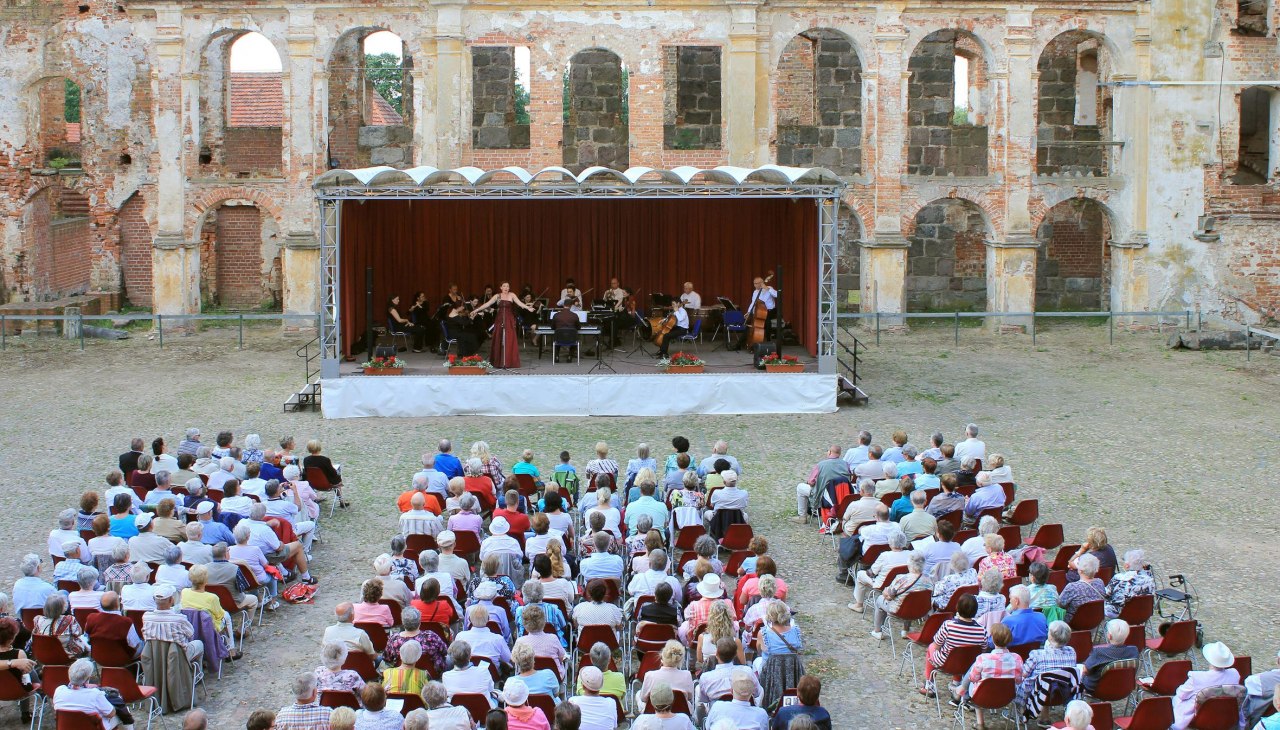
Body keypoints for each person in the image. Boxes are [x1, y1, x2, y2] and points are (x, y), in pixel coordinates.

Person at [953, 623, 1024, 725]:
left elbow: (973, 678)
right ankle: (961, 689)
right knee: (982, 682)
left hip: (982, 696)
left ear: (993, 640)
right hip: (1007, 697)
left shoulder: (983, 658)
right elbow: (1018, 680)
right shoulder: (1017, 658)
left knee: (976, 680)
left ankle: (980, 722)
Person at [922, 594, 987, 695]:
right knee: (962, 654)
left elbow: (936, 645)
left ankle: (929, 684)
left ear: (958, 607)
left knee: (932, 646)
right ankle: (956, 683)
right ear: (975, 610)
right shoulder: (982, 630)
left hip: (946, 664)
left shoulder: (948, 625)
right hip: (968, 665)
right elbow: (982, 652)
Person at [1172, 642, 1242, 730]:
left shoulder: (1197, 677)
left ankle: (1174, 725)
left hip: (1200, 717)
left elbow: (1181, 694)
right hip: (1225, 714)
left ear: (1209, 659)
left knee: (1177, 699)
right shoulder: (1234, 674)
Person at [471, 282, 536, 368]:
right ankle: (498, 361)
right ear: (501, 287)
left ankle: (509, 361)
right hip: (500, 319)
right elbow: (487, 304)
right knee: (499, 338)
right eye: (504, 286)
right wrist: (476, 310)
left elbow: (520, 303)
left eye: (508, 286)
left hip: (509, 319)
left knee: (509, 339)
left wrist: (528, 308)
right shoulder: (497, 296)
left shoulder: (512, 295)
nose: (506, 287)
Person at [869, 552, 932, 641]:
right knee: (913, 600)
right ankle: (905, 630)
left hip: (899, 610)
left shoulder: (902, 579)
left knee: (880, 599)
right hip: (918, 611)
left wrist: (884, 592)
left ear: (909, 564)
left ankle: (877, 631)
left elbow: (889, 596)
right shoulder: (929, 580)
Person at [849, 531, 912, 613]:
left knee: (860, 574)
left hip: (883, 584)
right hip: (902, 584)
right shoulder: (911, 554)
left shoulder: (885, 556)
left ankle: (859, 604)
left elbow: (872, 573)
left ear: (890, 542)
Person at [54, 658, 125, 729]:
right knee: (123, 712)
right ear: (88, 678)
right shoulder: (95, 694)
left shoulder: (59, 690)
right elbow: (111, 714)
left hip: (68, 727)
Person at [1018, 620, 1077, 703]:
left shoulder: (1037, 654)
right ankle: (1044, 714)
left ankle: (1022, 711)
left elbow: (1023, 674)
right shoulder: (1071, 652)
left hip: (1038, 695)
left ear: (1051, 637)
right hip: (1061, 693)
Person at [1080, 619, 1140, 694]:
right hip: (1123, 688)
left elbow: (1085, 671)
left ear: (1109, 636)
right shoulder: (1134, 650)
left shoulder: (1098, 652)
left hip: (1096, 690)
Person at [796, 445, 850, 523]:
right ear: (839, 453)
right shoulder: (846, 465)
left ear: (830, 452)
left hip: (822, 497)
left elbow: (811, 482)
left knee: (800, 487)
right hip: (841, 496)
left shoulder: (820, 465)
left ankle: (802, 516)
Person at [705, 670, 770, 729]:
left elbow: (707, 727)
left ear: (731, 691)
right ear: (752, 692)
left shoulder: (718, 706)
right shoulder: (761, 714)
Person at [443, 640, 498, 708]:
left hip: (458, 714)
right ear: (470, 656)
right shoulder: (483, 671)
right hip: (485, 712)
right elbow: (491, 689)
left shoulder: (446, 676)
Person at [34, 593, 90, 657]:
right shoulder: (70, 619)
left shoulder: (38, 620)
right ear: (62, 607)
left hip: (45, 654)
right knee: (84, 639)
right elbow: (78, 633)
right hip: (66, 655)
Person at [1104, 548, 1154, 619]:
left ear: (1127, 565)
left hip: (1119, 613)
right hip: (1143, 613)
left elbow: (1106, 594)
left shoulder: (1119, 578)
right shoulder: (1150, 579)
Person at [1058, 553, 1106, 622]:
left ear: (1080, 570)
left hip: (1074, 622)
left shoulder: (1072, 587)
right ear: (1096, 569)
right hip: (1094, 621)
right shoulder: (1100, 582)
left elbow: (1060, 604)